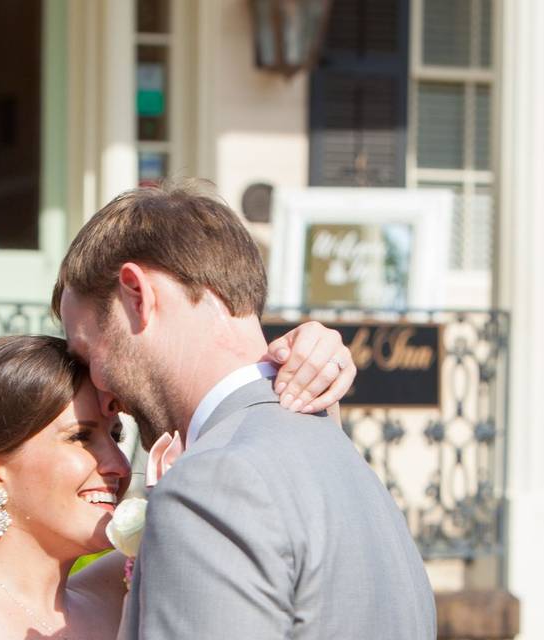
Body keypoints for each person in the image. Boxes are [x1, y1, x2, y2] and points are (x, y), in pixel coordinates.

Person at [54, 180, 436, 639]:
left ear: (137, 294)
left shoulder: (214, 479)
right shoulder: (343, 459)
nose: (101, 392)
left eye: (88, 349)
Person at [0, 325, 352, 639]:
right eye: (81, 437)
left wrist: (305, 358)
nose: (116, 463)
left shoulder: (124, 588)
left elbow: (285, 509)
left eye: (114, 433)